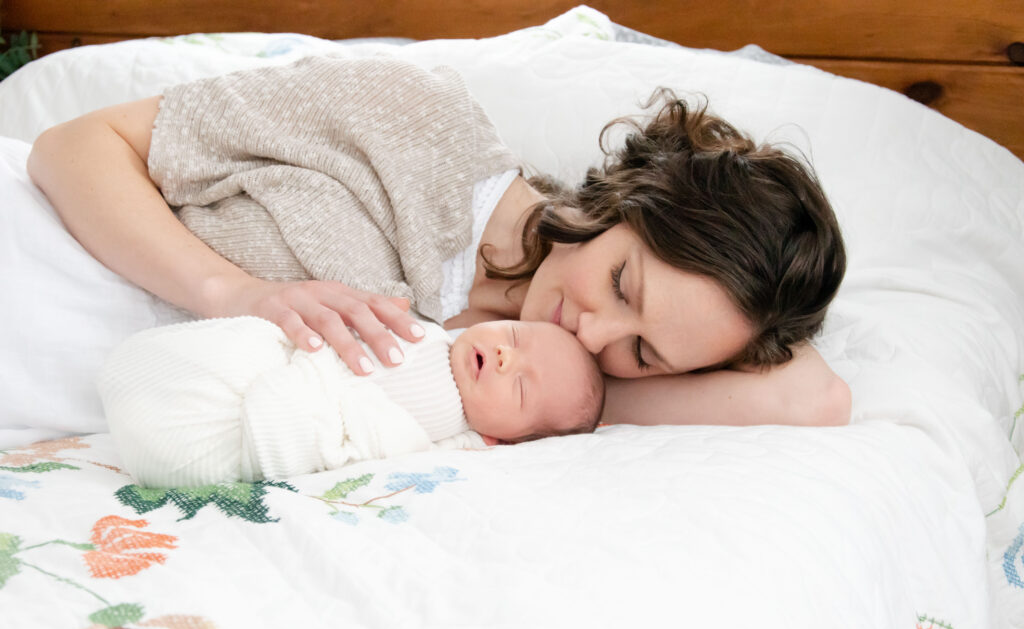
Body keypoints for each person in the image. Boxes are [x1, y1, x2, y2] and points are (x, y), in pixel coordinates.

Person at [27, 55, 850, 430]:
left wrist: (598, 390)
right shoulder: (412, 120)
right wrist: (234, 294)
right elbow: (71, 147)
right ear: (623, 203)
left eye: (645, 354)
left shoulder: (511, 385)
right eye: (625, 287)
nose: (595, 336)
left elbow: (815, 398)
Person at [98, 317, 604, 487]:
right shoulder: (428, 332)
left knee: (184, 438)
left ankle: (165, 433)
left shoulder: (457, 438)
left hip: (280, 410)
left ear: (502, 438)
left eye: (519, 387)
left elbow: (388, 451)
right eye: (514, 335)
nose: (502, 355)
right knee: (219, 352)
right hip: (273, 360)